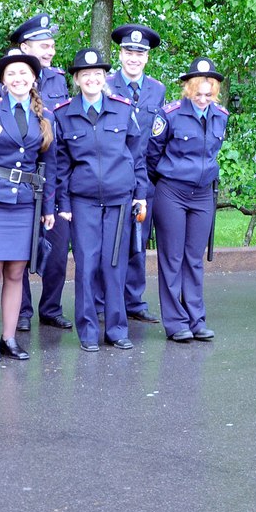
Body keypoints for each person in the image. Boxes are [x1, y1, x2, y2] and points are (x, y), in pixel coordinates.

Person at [53, 48, 149, 352]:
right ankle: (88, 331)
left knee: (114, 264)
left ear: (104, 78)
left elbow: (137, 157)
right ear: (77, 79)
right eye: (86, 75)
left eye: (98, 75)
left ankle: (117, 329)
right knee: (86, 264)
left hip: (120, 200)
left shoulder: (122, 109)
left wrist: (141, 196)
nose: (92, 79)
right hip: (83, 202)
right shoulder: (63, 114)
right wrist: (64, 205)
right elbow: (61, 166)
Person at [0, 53, 57, 362]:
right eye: (12, 74)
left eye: (24, 73)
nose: (18, 78)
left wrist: (48, 208)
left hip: (25, 203)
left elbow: (50, 165)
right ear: (3, 81)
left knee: (17, 272)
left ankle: (9, 338)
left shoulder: (45, 115)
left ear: (33, 79)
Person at [146, 58, 229, 343]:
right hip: (171, 192)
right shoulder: (168, 115)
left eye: (209, 94)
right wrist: (168, 180)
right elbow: (152, 155)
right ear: (188, 89)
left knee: (194, 259)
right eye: (198, 93)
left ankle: (196, 320)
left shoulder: (221, 115)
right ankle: (175, 323)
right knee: (172, 258)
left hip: (203, 194)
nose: (203, 99)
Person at [5, 14, 74, 332]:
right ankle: (21, 311)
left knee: (58, 250)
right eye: (42, 44)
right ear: (23, 47)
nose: (50, 48)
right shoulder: (6, 79)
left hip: (56, 177)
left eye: (51, 43)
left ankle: (51, 307)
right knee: (19, 250)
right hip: (20, 178)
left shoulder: (59, 80)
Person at [106, 24, 167, 324]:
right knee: (111, 240)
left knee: (139, 240)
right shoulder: (103, 84)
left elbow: (157, 136)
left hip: (144, 177)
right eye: (129, 51)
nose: (134, 58)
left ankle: (133, 300)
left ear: (147, 58)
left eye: (140, 53)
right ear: (120, 54)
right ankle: (106, 300)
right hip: (111, 174)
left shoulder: (157, 89)